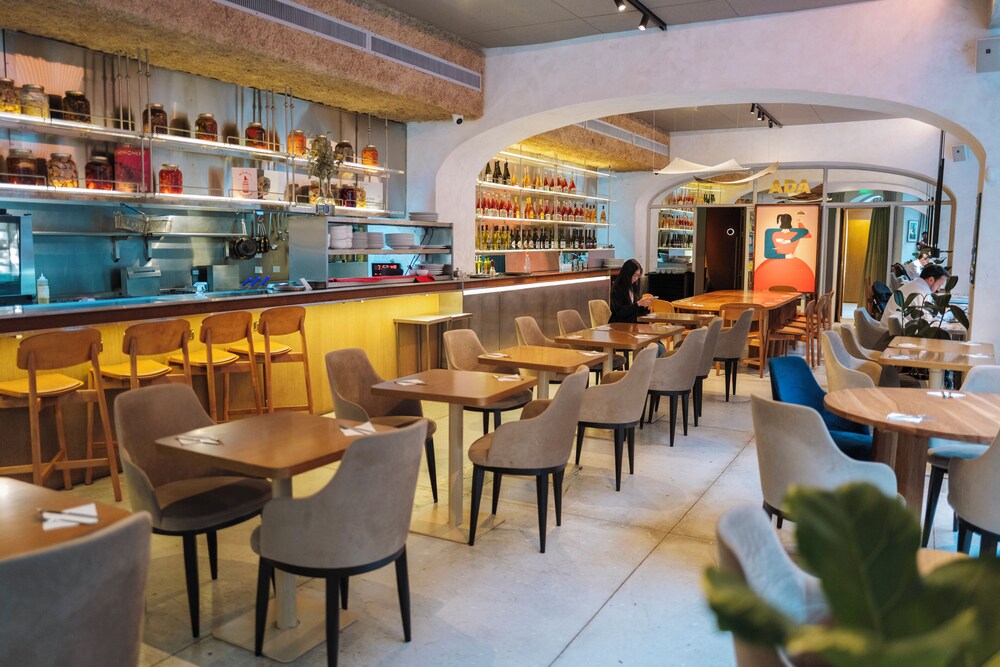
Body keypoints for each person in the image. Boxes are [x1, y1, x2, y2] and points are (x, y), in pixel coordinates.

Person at [609, 259, 665, 356]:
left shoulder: (633, 287)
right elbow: (620, 312)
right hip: (620, 328)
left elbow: (636, 310)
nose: (636, 278)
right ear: (627, 274)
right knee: (655, 346)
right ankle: (646, 364)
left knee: (658, 345)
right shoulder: (617, 288)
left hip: (633, 326)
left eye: (638, 276)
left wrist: (644, 305)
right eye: (634, 275)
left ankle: (652, 364)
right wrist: (638, 304)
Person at [880, 264, 949, 325]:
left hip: (892, 328)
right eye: (940, 284)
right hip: (895, 332)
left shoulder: (916, 284)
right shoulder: (921, 291)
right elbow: (927, 320)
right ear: (931, 280)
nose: (939, 288)